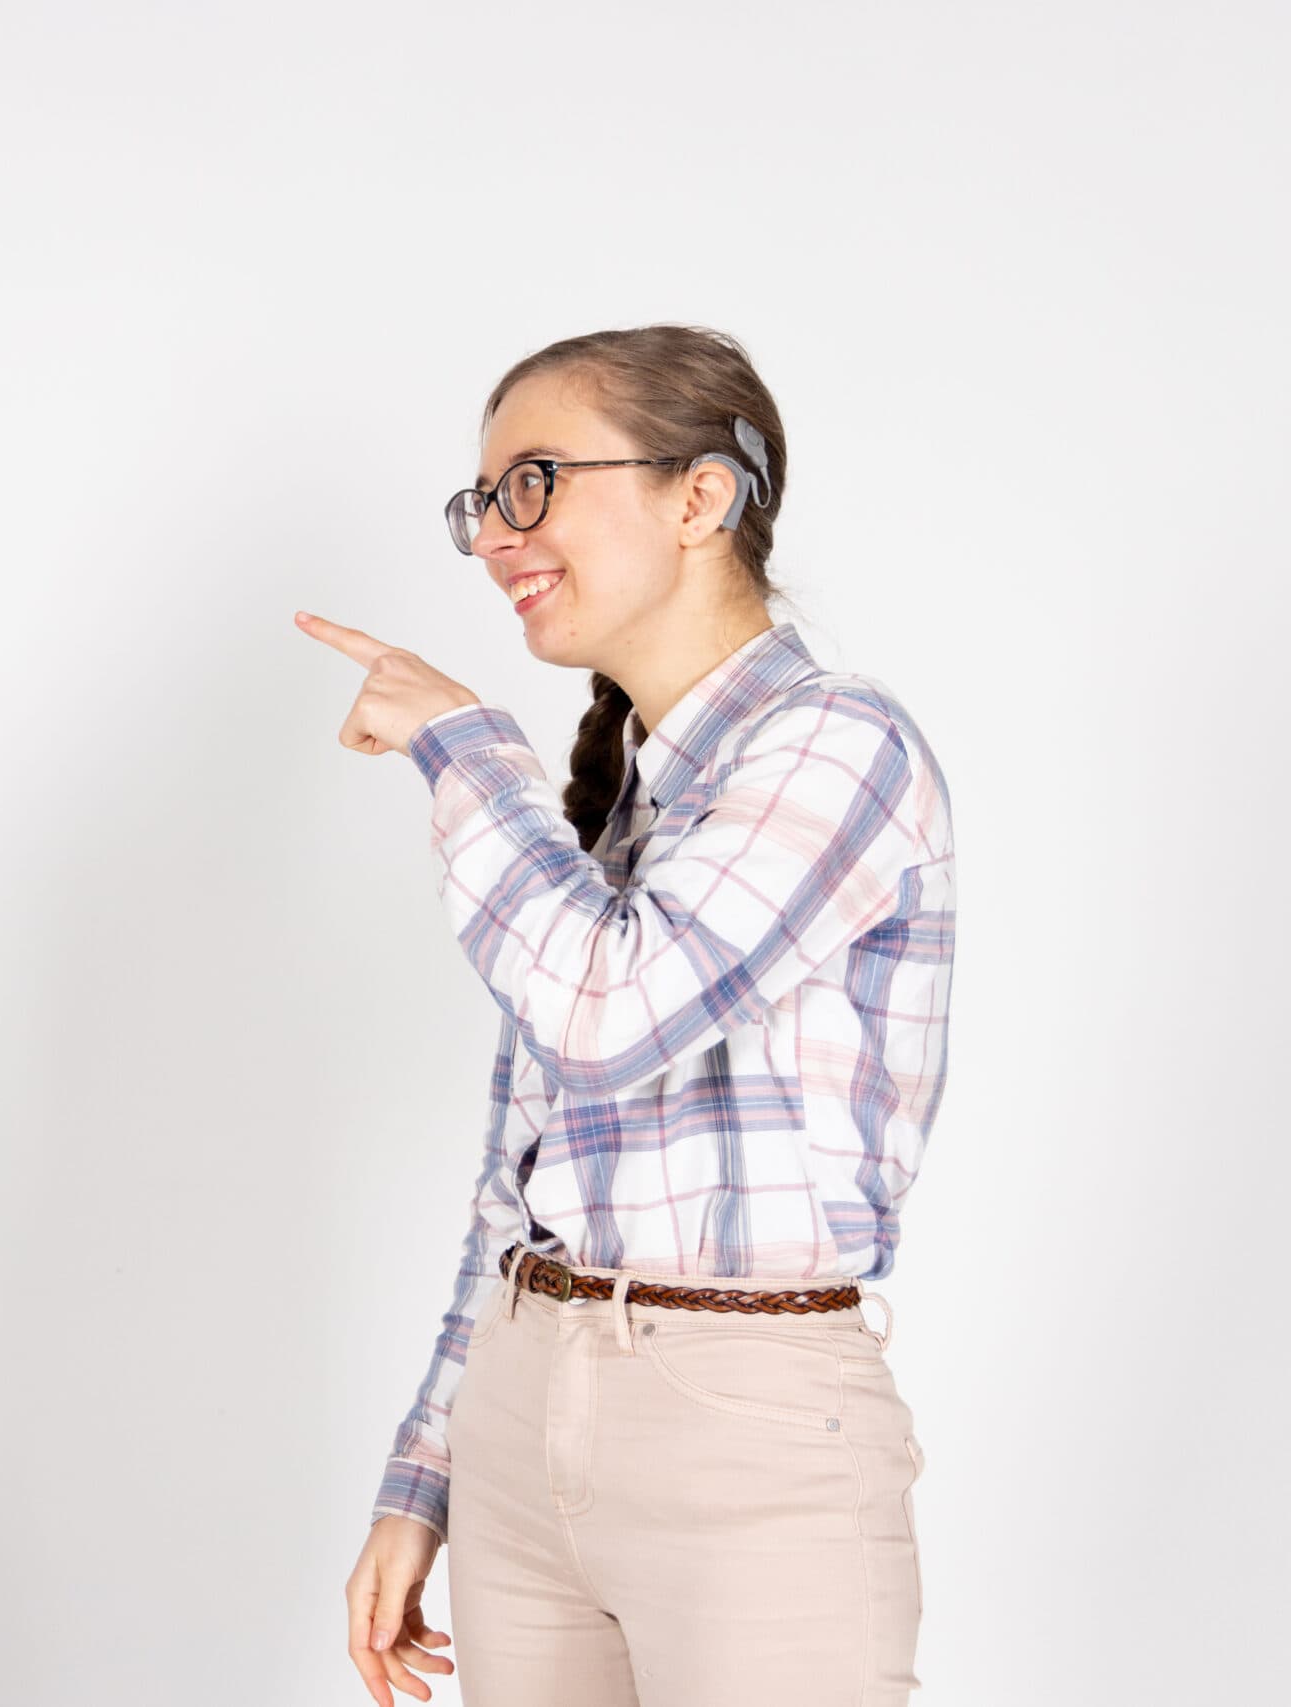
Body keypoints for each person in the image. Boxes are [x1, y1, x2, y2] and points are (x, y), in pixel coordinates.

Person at [299, 325, 954, 1706]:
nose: (495, 536)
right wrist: (426, 1474)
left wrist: (463, 745)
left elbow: (614, 1014)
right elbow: (518, 1185)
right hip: (525, 1412)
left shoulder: (841, 746)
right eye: (484, 502)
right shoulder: (619, 808)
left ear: (701, 498)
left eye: (532, 482)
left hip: (748, 1430)